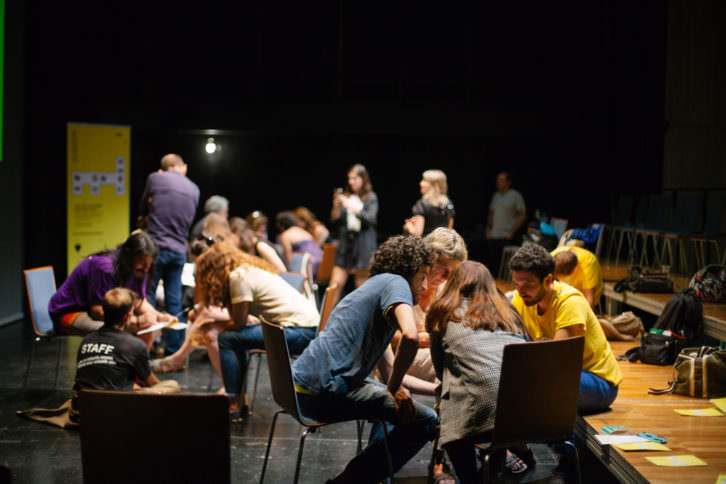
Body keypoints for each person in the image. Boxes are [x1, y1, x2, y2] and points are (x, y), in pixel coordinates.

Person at [291, 235, 439, 484]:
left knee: (400, 402)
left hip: (300, 387)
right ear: (408, 270)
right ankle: (352, 480)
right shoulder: (396, 283)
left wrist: (435, 388)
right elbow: (411, 337)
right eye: (422, 276)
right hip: (321, 391)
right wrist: (394, 388)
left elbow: (392, 370)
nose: (424, 287)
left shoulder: (374, 291)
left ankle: (363, 477)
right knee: (427, 421)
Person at [155, 242, 320, 421]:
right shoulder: (245, 270)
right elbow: (236, 319)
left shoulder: (238, 277)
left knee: (227, 339)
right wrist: (214, 323)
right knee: (231, 337)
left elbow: (239, 322)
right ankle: (239, 400)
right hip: (302, 327)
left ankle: (232, 400)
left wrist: (215, 324)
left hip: (298, 331)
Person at [426, 261, 530, 484]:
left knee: (453, 397)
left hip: (483, 416)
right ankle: (492, 473)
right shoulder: (510, 313)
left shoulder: (443, 312)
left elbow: (439, 367)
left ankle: (467, 478)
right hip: (525, 414)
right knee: (495, 392)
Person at [509, 243, 622, 414]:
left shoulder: (569, 302)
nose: (520, 291)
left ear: (547, 280)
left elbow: (559, 361)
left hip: (598, 380)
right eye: (516, 284)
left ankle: (563, 440)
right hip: (563, 376)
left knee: (545, 383)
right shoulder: (520, 299)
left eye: (527, 285)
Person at [68, 288, 181, 424]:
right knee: (172, 386)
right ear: (127, 317)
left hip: (83, 413)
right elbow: (151, 383)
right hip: (116, 413)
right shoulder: (135, 345)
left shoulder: (86, 340)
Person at [48, 231, 169, 349]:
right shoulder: (105, 267)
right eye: (142, 261)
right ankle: (119, 368)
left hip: (101, 313)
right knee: (117, 333)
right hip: (69, 313)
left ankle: (139, 368)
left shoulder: (140, 269)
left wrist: (159, 317)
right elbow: (98, 311)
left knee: (148, 328)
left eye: (150, 263)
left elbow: (138, 302)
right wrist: (136, 321)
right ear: (129, 255)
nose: (146, 268)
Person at [139, 153, 200, 354]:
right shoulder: (194, 188)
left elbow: (143, 208)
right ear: (184, 168)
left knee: (147, 296)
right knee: (174, 300)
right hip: (179, 251)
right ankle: (173, 351)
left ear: (162, 169)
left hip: (155, 249)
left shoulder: (155, 178)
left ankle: (146, 347)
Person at [328, 163, 379, 308]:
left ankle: (361, 326)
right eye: (350, 179)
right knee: (335, 286)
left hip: (363, 246)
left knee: (361, 288)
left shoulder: (370, 197)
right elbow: (335, 219)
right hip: (346, 245)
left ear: (363, 179)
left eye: (355, 178)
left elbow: (370, 219)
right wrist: (336, 206)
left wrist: (350, 205)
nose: (351, 182)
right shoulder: (347, 196)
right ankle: (324, 325)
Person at [485, 171, 526, 276]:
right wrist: (488, 229)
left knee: (504, 269)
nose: (499, 183)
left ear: (508, 183)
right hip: (494, 235)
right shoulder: (496, 196)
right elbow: (491, 213)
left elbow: (522, 214)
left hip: (506, 237)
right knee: (492, 266)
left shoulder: (515, 196)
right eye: (498, 181)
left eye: (502, 181)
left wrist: (512, 232)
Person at [403, 169, 455, 237]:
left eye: (424, 180)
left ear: (435, 185)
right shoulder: (448, 204)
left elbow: (417, 234)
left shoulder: (422, 204)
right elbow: (449, 232)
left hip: (427, 245)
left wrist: (408, 225)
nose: (421, 183)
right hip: (442, 245)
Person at [276, 210, 323, 278]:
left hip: (310, 266)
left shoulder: (285, 235)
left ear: (280, 225)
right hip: (322, 262)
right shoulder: (302, 230)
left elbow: (289, 259)